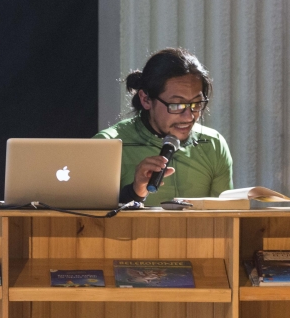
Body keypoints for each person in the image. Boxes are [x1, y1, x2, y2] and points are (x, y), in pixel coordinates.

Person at [93, 48, 233, 206]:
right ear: (146, 99)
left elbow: (225, 217)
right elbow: (90, 219)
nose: (189, 116)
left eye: (195, 104)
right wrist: (134, 191)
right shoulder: (108, 145)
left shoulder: (213, 144)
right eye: (176, 105)